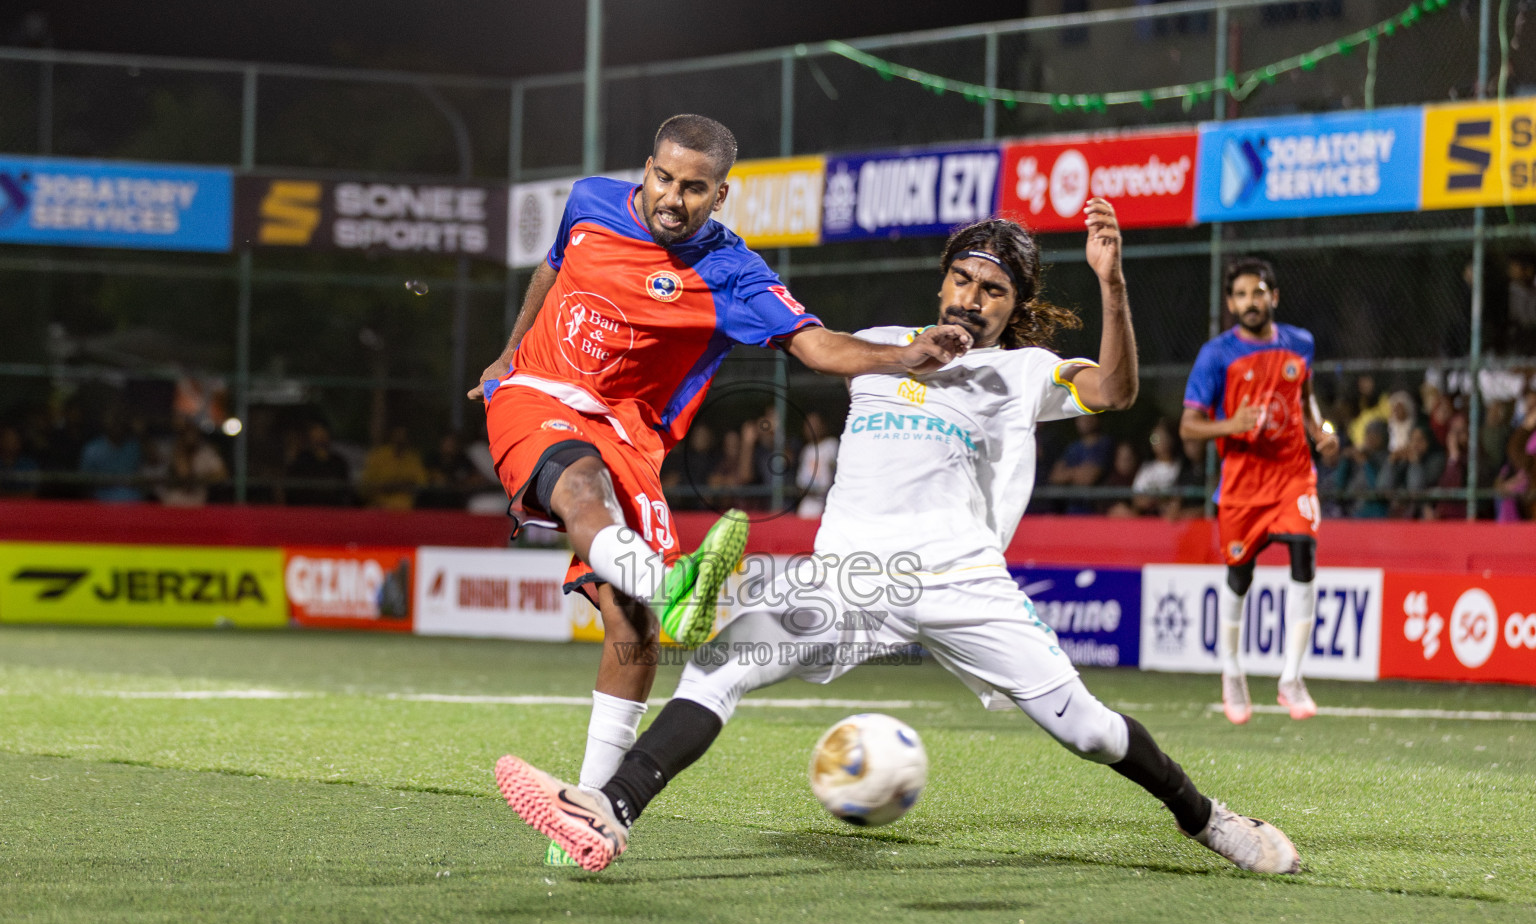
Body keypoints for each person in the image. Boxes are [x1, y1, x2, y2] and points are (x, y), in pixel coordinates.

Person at [494, 204, 1302, 877]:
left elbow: (1117, 390)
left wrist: (1112, 283)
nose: (972, 297)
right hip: (846, 579)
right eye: (963, 278)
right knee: (720, 661)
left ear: (1010, 306)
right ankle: (610, 809)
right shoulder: (881, 345)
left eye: (992, 289)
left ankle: (1211, 822)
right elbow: (802, 339)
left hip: (961, 581)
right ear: (943, 280)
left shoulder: (1021, 372)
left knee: (1088, 731)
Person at [470, 114, 967, 864]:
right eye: (663, 178)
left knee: (632, 631)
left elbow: (815, 345)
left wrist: (904, 357)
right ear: (646, 169)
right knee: (581, 493)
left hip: (631, 434)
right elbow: (551, 266)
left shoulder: (732, 272)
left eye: (693, 188)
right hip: (537, 394)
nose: (673, 197)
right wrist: (508, 352)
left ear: (720, 195)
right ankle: (671, 582)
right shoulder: (589, 201)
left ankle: (589, 820)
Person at [1179, 257, 1340, 726]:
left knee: (1304, 553)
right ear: (1231, 303)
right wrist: (1232, 424)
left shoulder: (1301, 344)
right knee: (1239, 577)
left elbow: (1305, 400)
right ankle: (1232, 672)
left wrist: (1320, 432)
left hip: (1293, 475)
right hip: (1243, 484)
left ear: (1274, 296)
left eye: (1259, 292)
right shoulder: (1216, 355)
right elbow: (1189, 425)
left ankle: (1291, 678)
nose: (1252, 301)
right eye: (1243, 295)